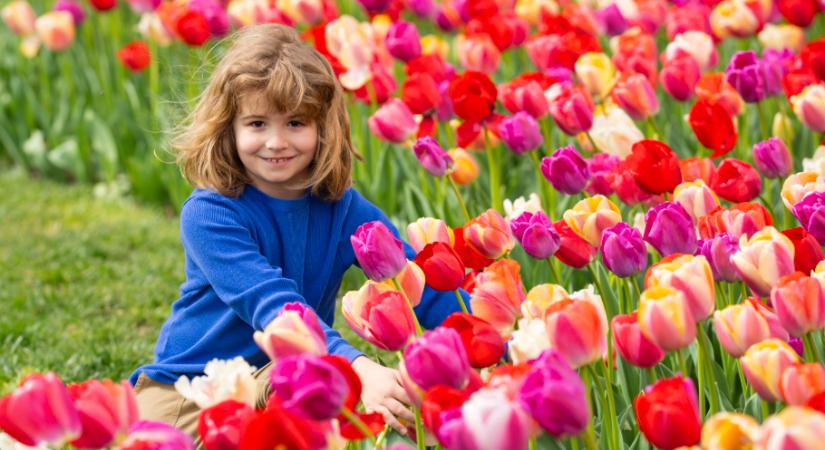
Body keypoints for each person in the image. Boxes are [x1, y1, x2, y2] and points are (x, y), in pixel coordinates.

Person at [129, 23, 467, 439]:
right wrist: (360, 369)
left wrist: (496, 338)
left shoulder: (342, 209)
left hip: (288, 373)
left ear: (323, 127)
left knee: (310, 385)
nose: (275, 142)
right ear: (228, 128)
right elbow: (276, 309)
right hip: (193, 388)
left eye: (295, 123)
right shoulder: (210, 214)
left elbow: (421, 285)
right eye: (256, 124)